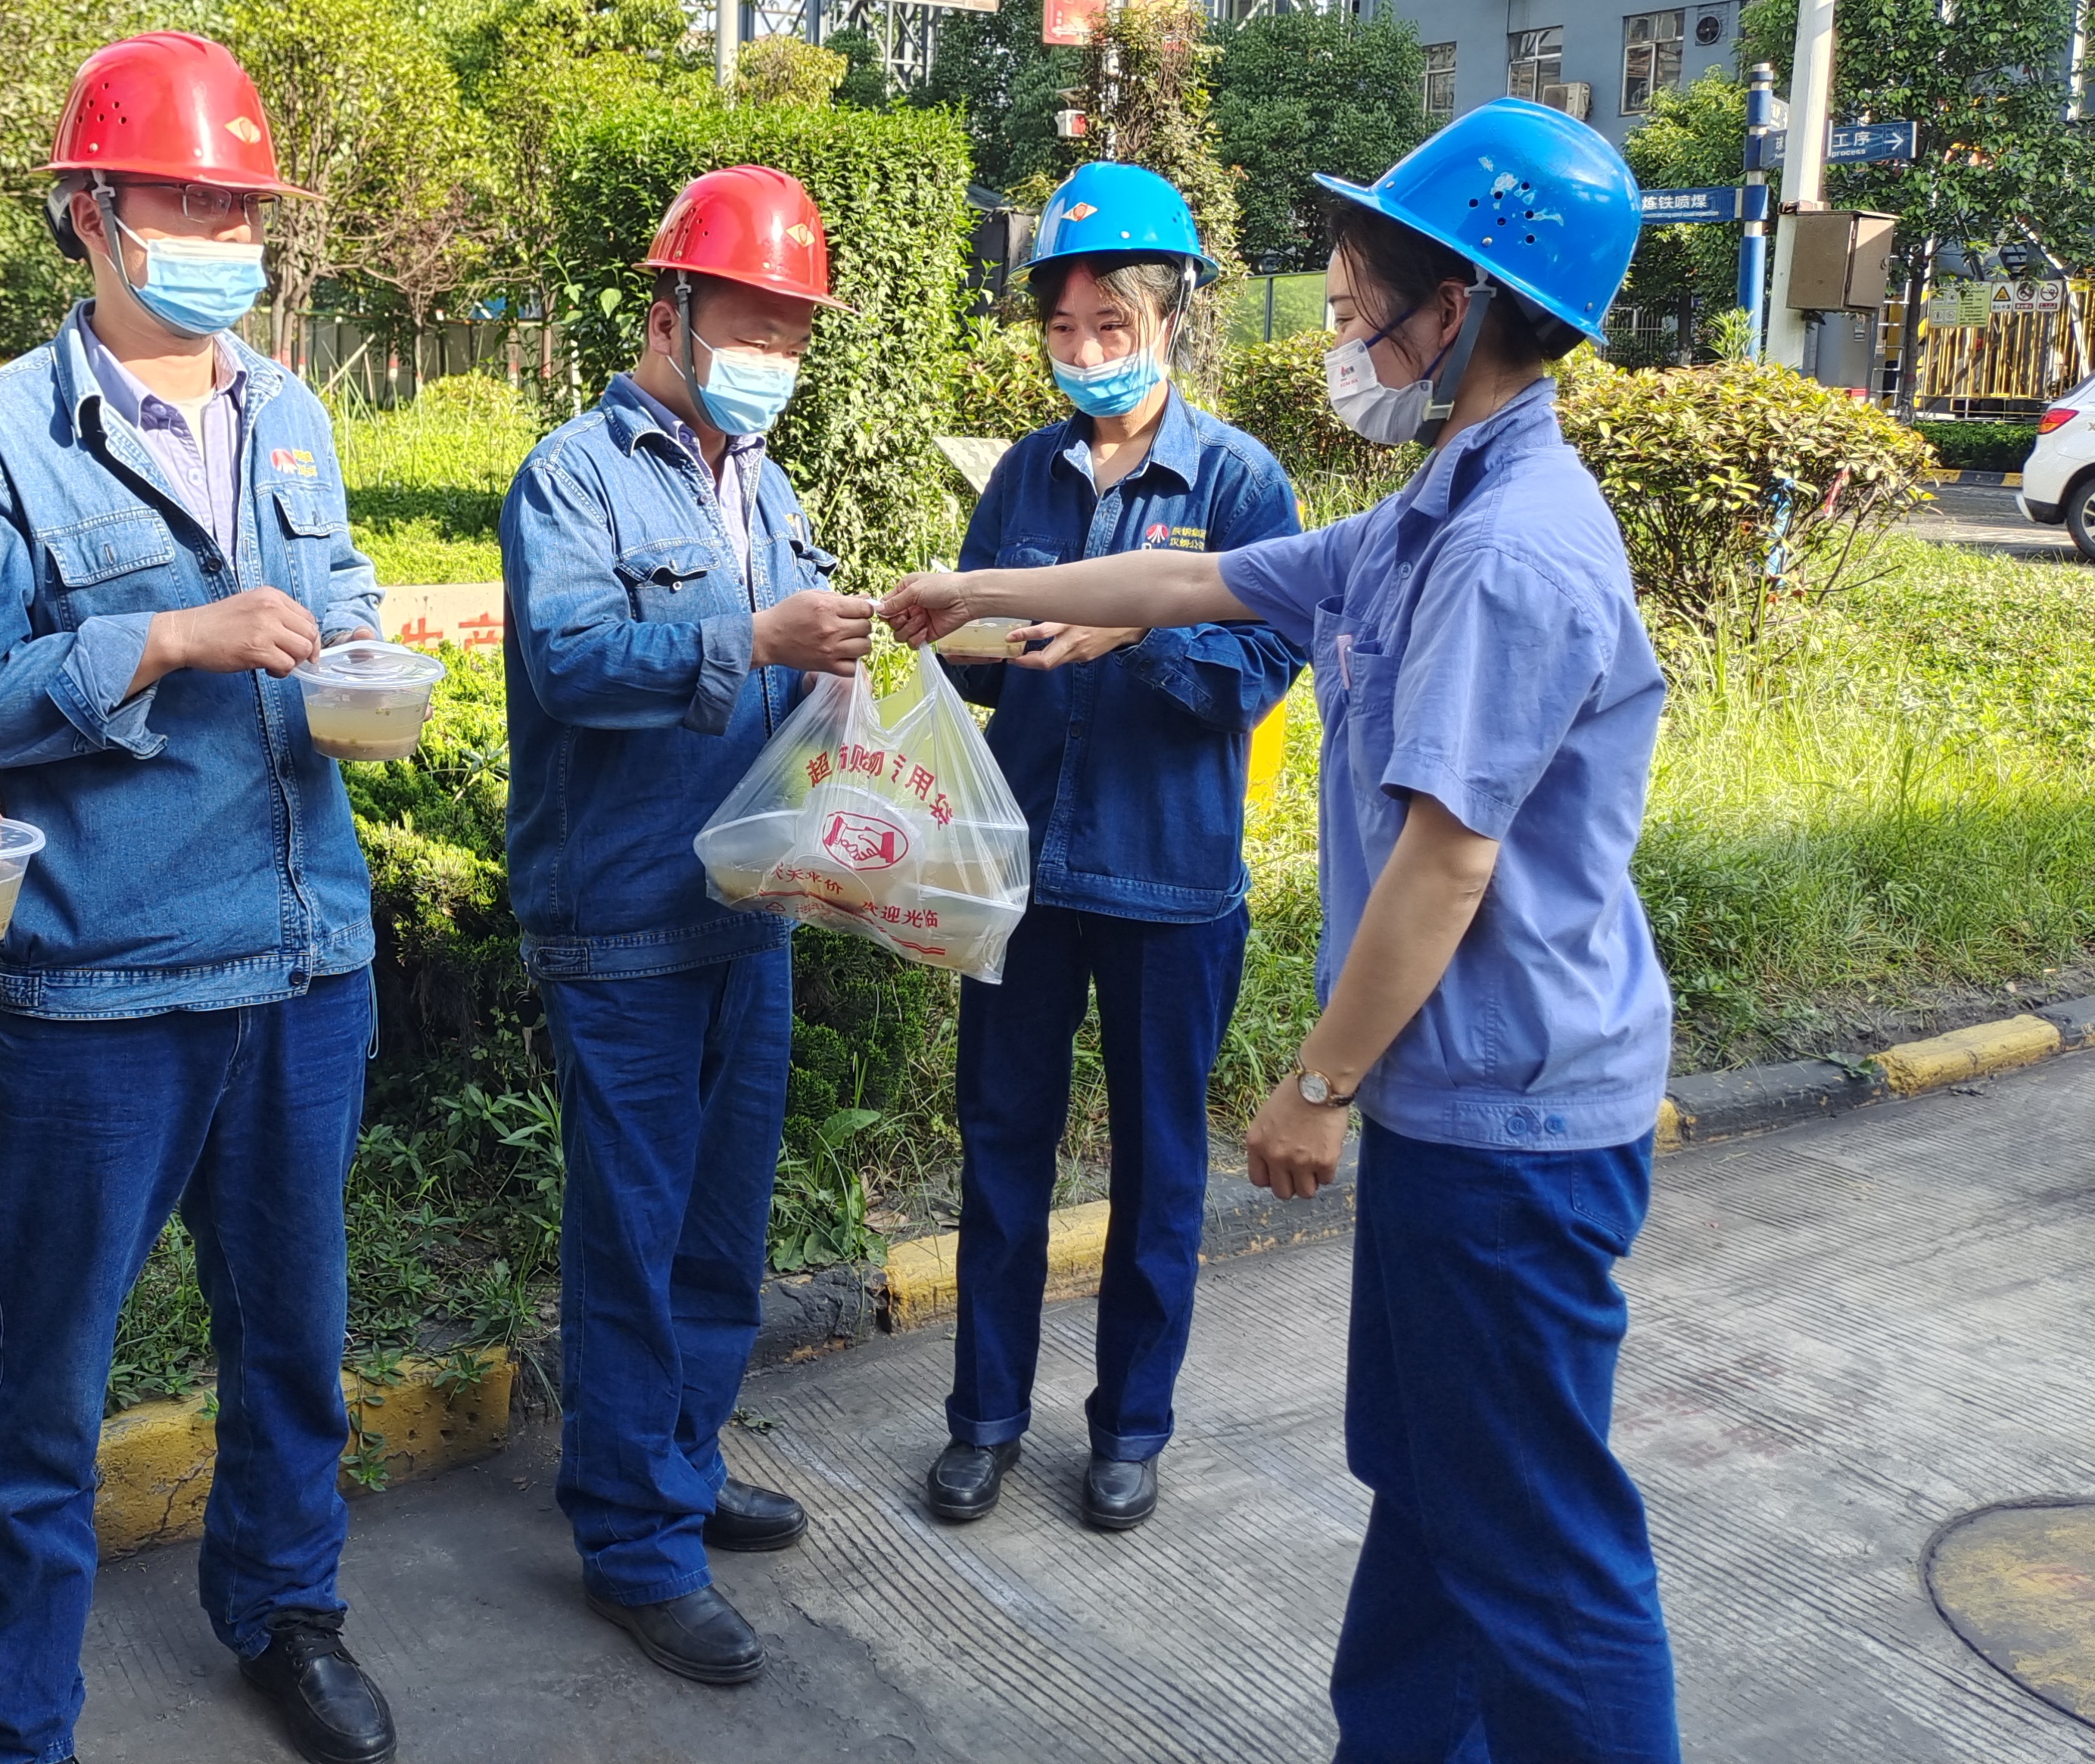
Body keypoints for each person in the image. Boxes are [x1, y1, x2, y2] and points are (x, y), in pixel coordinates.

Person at [882, 99, 1681, 1763]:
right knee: (1427, 1488)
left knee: (1536, 1548)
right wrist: (971, 599)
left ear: (1449, 307)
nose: (1334, 335)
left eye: (1347, 305)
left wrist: (1317, 1085)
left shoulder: (1508, 550)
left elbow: (1446, 864)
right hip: (1459, 1106)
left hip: (1513, 1114)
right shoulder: (1429, 508)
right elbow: (1193, 586)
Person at [0, 31, 397, 1764]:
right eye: (184, 197)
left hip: (304, 960)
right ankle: (15, 1720)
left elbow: (335, 600)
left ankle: (284, 1609)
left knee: (292, 1347)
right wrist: (162, 638)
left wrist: (360, 653)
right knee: (44, 1388)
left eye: (237, 204)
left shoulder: (293, 413)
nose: (217, 232)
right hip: (97, 989)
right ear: (90, 214)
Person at [499, 164, 877, 1688]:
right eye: (751, 316)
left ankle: (683, 1460)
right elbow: (575, 664)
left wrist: (844, 658)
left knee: (718, 1237)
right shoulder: (571, 477)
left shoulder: (762, 483)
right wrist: (755, 636)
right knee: (631, 1245)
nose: (773, 348)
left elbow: (784, 663)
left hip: (747, 914)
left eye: (794, 324)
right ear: (668, 310)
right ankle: (633, 1541)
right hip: (625, 924)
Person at [918, 163, 1303, 1536]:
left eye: (1109, 327)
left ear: (1172, 317)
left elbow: (1264, 665)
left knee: (1158, 1170)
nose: (1083, 355)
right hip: (1019, 887)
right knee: (1001, 1154)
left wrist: (1140, 625)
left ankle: (1132, 1428)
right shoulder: (1026, 472)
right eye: (1061, 329)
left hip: (1172, 886)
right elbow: (985, 656)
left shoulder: (1245, 480)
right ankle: (985, 1423)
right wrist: (921, 649)